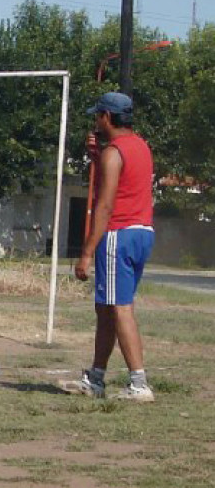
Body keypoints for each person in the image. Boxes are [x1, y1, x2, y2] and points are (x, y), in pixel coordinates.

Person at [60, 92, 156, 402]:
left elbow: (105, 205)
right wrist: (96, 157)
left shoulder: (114, 152)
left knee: (120, 307)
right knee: (108, 308)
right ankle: (96, 377)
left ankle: (139, 384)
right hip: (142, 231)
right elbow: (124, 182)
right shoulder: (139, 146)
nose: (95, 120)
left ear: (106, 117)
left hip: (119, 234)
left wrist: (86, 251)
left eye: (97, 115)